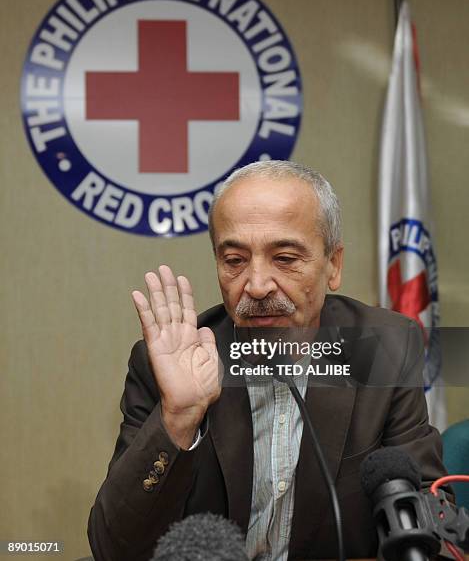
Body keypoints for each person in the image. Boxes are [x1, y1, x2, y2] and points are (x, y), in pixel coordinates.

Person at [88, 161, 447, 561]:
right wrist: (178, 418)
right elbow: (112, 548)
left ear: (334, 265)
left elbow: (430, 527)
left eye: (286, 258)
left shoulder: (383, 348)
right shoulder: (168, 363)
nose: (256, 286)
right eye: (235, 261)